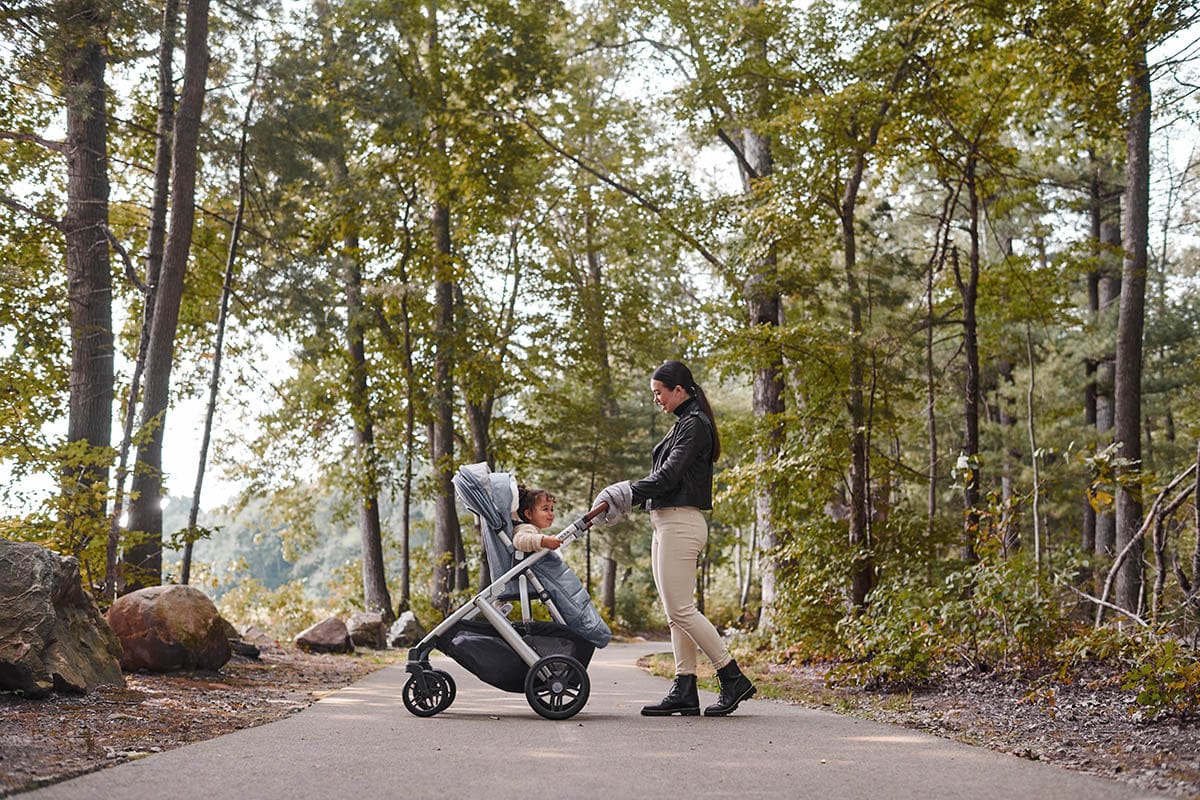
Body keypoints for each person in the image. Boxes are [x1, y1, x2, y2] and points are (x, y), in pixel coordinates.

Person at [593, 360, 756, 717]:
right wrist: (630, 497)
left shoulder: (695, 425)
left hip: (681, 523)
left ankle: (731, 676)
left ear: (678, 390)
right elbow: (666, 479)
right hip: (666, 523)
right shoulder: (685, 424)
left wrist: (625, 491)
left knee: (682, 609)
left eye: (659, 393)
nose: (656, 399)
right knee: (674, 613)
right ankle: (685, 687)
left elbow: (668, 477)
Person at [512, 485, 563, 553]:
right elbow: (519, 540)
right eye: (545, 509)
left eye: (551, 509)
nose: (551, 513)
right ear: (529, 514)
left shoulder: (533, 530)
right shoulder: (526, 528)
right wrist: (543, 541)